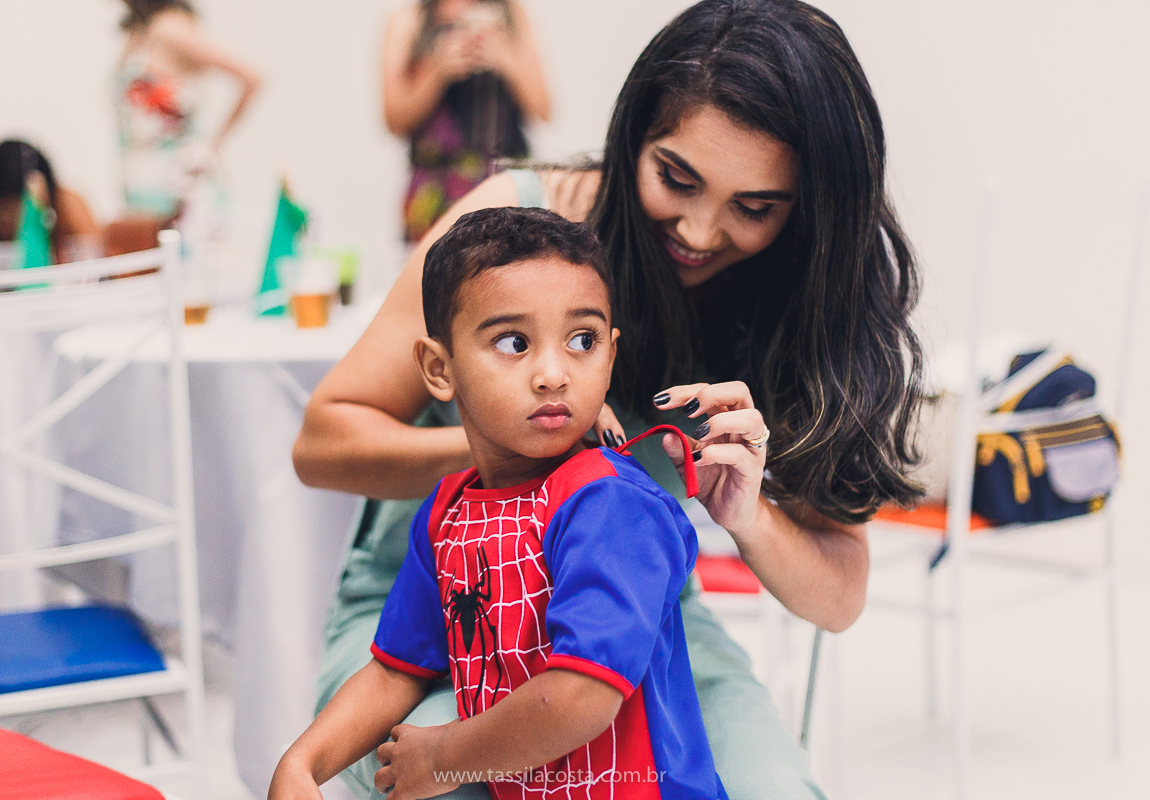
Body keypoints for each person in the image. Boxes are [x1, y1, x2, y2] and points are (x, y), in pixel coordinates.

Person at [295, 1, 925, 798]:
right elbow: (321, 444)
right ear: (633, 137)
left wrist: (749, 517)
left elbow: (839, 596)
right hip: (433, 610)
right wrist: (520, 445)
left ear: (808, 213)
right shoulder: (520, 229)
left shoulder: (803, 307)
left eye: (754, 208)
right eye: (676, 178)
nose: (698, 232)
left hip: (632, 606)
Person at [271, 207, 725, 800]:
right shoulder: (448, 510)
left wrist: (444, 759)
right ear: (440, 369)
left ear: (611, 355)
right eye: (514, 343)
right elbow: (396, 668)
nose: (553, 374)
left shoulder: (611, 504)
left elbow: (582, 694)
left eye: (582, 340)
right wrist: (302, 763)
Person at [383, 0, 551, 242]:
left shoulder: (513, 13)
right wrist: (437, 71)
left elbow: (543, 109)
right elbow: (394, 120)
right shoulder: (408, 20)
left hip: (504, 182)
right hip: (435, 189)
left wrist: (506, 60)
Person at [115, 0, 261, 221]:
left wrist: (214, 146)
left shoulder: (169, 28)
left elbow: (252, 77)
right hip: (142, 191)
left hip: (182, 191)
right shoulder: (139, 29)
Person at [0, 140, 100, 273]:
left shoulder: (69, 206)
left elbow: (96, 261)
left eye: (28, 212)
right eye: (6, 212)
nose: (18, 224)